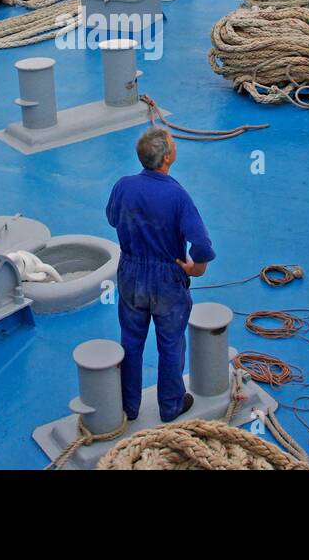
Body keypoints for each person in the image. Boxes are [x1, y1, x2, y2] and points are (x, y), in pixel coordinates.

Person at [105, 127, 215, 423]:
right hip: (167, 279)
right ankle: (170, 406)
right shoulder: (177, 195)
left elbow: (113, 218)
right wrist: (196, 268)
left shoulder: (123, 186)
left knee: (131, 340)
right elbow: (202, 245)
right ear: (167, 158)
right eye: (173, 144)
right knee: (170, 342)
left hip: (130, 274)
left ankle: (129, 407)